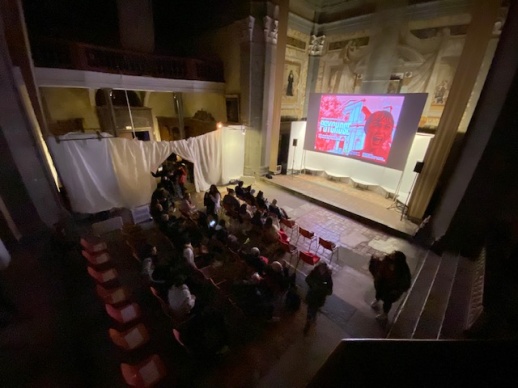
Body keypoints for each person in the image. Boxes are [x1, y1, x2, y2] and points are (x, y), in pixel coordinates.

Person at [369, 250, 411, 322]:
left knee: (387, 302)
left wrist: (397, 290)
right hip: (382, 283)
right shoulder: (387, 260)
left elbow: (405, 283)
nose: (391, 255)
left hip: (392, 290)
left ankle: (385, 314)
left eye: (394, 255)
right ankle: (377, 299)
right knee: (378, 293)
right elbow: (379, 267)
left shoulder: (402, 271)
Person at [304, 262, 333, 335]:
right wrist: (313, 285)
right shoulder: (314, 272)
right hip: (312, 295)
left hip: (319, 297)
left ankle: (310, 318)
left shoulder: (328, 277)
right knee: (311, 308)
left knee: (314, 308)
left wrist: (321, 289)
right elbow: (307, 279)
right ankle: (309, 319)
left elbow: (329, 291)